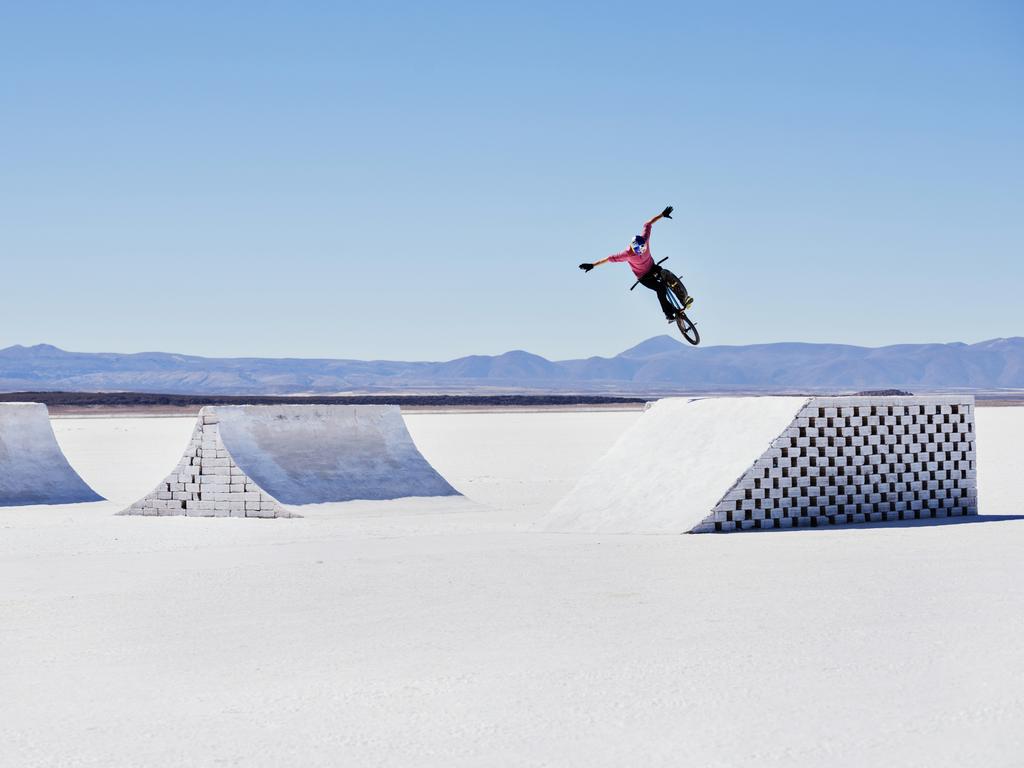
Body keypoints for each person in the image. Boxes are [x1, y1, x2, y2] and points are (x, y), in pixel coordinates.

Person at [578, 206, 693, 322]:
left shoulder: (645, 239)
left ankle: (684, 298)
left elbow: (648, 224)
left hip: (653, 268)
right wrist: (592, 265)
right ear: (633, 249)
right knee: (660, 289)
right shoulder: (627, 254)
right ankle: (669, 314)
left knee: (666, 274)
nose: (641, 253)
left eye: (643, 250)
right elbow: (609, 259)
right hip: (644, 277)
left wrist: (662, 215)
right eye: (638, 252)